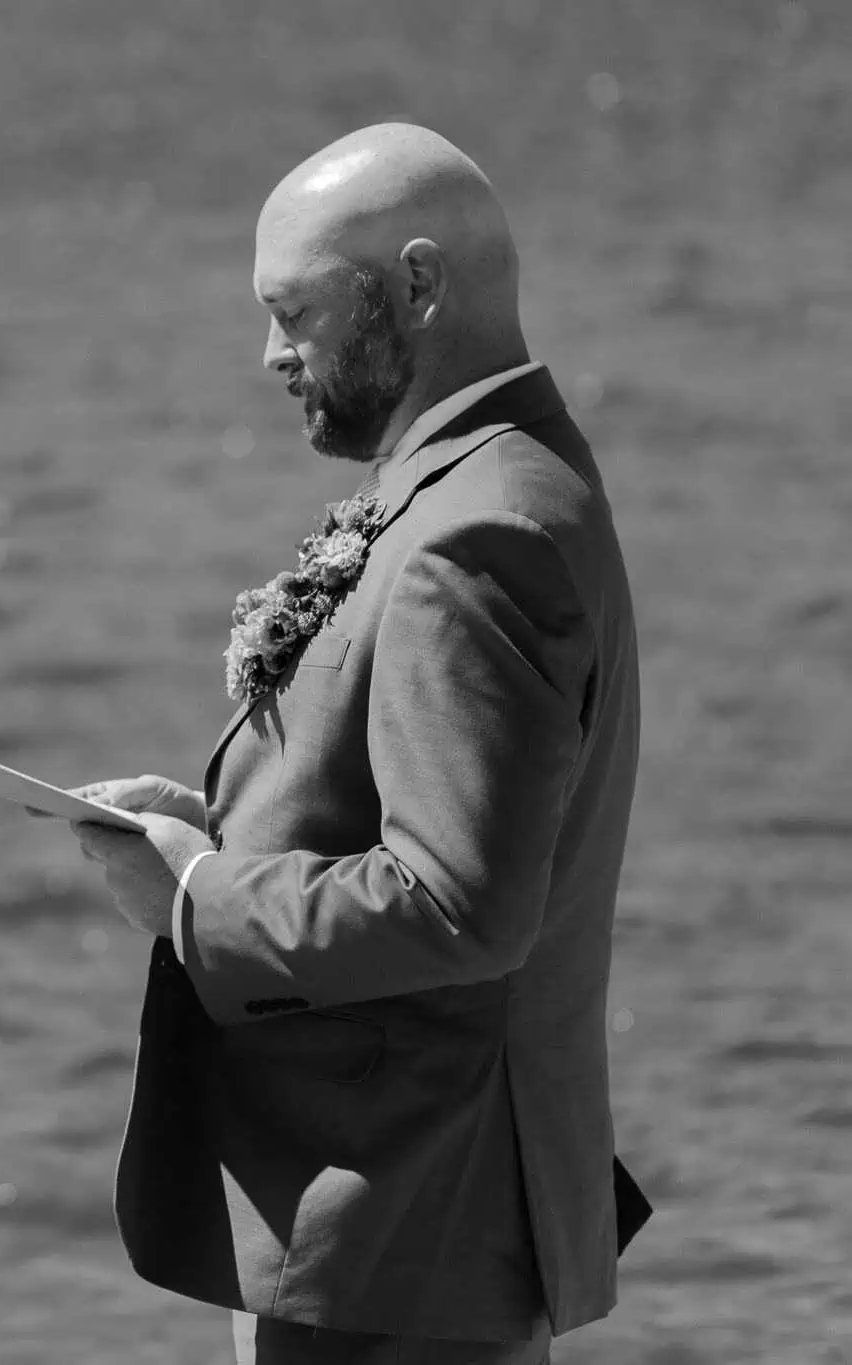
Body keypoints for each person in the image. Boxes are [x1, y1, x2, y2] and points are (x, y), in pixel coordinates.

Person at [63, 124, 650, 1363]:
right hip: (403, 1230)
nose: (270, 354)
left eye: (295, 314)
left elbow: (458, 907)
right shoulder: (496, 480)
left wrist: (195, 897)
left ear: (419, 286)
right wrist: (236, 823)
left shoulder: (474, 535)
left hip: (406, 1232)